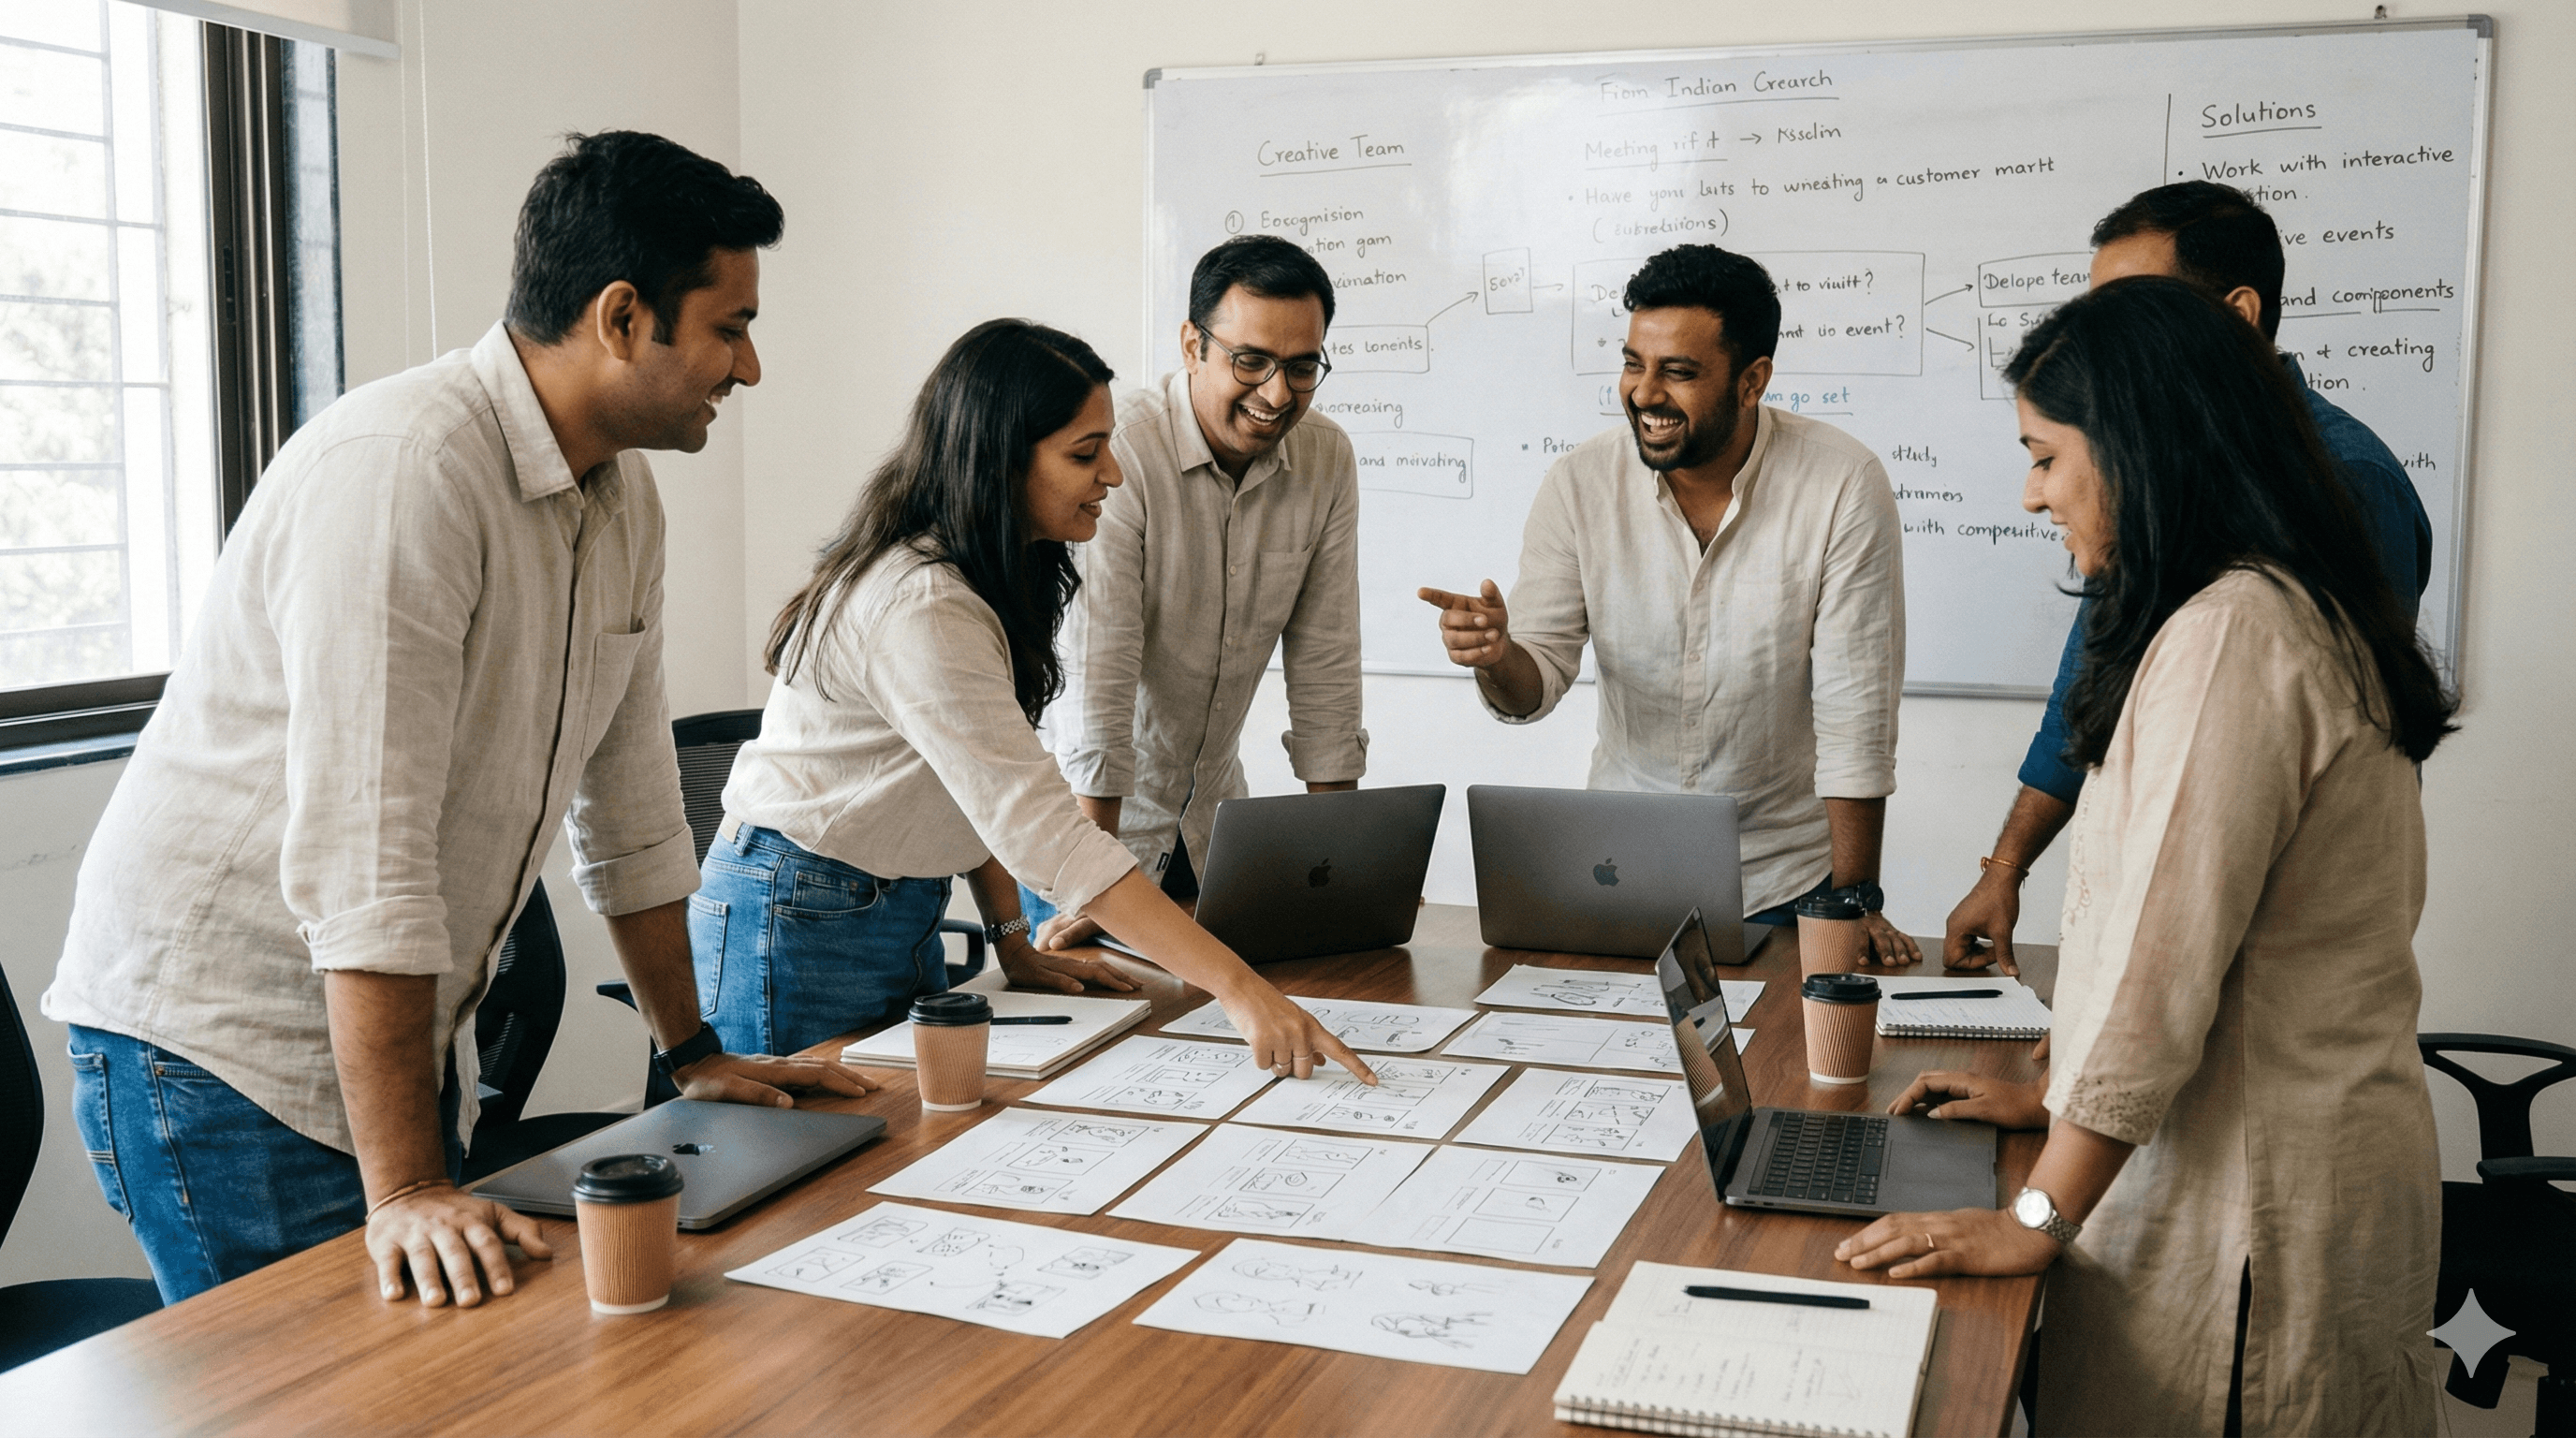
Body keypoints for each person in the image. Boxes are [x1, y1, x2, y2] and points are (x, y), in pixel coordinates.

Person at [44, 132, 868, 1312]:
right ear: (622, 316)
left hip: (390, 1031)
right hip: (226, 1048)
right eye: (729, 327)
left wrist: (692, 1055)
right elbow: (365, 856)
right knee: (335, 1387)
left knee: (435, 1368)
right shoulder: (406, 470)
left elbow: (633, 812)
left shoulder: (621, 497)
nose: (749, 368)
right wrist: (407, 1187)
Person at [1839, 277, 2455, 1436]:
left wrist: (2031, 1221)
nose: (2031, 496)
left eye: (2045, 458)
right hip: (2280, 1159)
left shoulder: (2232, 638)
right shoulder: (2271, 602)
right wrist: (2044, 1094)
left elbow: (2157, 976)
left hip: (2251, 1204)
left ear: (2141, 449)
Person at [696, 318, 1376, 1084]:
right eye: (1085, 454)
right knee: (819, 1148)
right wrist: (1242, 990)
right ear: (999, 462)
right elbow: (1041, 829)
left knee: (900, 1127)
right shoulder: (922, 605)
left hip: (891, 904)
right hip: (796, 913)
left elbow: (980, 790)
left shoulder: (990, 573)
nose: (1113, 474)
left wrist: (1012, 941)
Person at [1945, 181, 2434, 974]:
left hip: (2260, 954)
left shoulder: (2345, 484)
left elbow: (2317, 764)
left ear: (2237, 314)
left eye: (2136, 308)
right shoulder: (2152, 483)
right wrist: (2007, 869)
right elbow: (2092, 683)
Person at [1418, 244, 1916, 961]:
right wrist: (1497, 657)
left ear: (1752, 381)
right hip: (1619, 873)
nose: (1645, 394)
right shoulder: (1581, 483)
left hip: (1782, 883)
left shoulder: (1841, 483)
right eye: (1634, 364)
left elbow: (1855, 715)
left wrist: (1855, 898)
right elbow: (1532, 688)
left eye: (1678, 372)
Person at [1025, 235, 1365, 948]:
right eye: (1251, 361)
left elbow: (1326, 662)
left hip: (1211, 833)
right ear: (1192, 346)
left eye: (1302, 367)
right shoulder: (1123, 449)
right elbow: (1099, 672)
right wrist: (1093, 881)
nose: (1277, 394)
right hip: (1085, 830)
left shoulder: (1326, 456)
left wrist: (1339, 867)